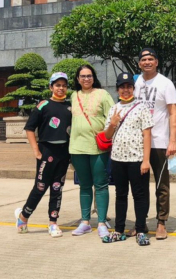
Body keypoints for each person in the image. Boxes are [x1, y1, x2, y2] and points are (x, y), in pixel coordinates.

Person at [14, 73, 72, 238]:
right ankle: (23, 217)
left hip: (64, 153)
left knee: (57, 188)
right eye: (57, 85)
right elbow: (30, 128)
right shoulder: (43, 105)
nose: (61, 88)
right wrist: (36, 150)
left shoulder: (70, 107)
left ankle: (53, 223)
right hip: (46, 152)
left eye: (64, 85)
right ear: (51, 87)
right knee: (40, 188)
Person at [102, 72, 153, 246]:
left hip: (137, 159)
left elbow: (147, 135)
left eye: (129, 86)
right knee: (120, 195)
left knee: (139, 195)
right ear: (117, 90)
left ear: (133, 88)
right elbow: (107, 136)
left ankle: (140, 230)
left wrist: (146, 160)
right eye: (122, 87)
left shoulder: (141, 107)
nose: (125, 90)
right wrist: (113, 123)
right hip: (117, 159)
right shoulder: (113, 109)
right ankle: (118, 230)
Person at [133, 47, 176, 240]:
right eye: (144, 60)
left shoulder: (165, 84)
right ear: (139, 63)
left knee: (161, 184)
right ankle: (140, 223)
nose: (147, 62)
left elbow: (173, 112)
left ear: (157, 62)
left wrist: (172, 141)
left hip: (160, 141)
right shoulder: (136, 83)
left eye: (151, 59)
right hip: (138, 142)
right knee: (139, 186)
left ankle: (161, 223)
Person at [68, 65, 115, 238]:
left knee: (101, 184)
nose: (86, 79)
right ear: (78, 79)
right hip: (77, 147)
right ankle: (85, 222)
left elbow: (113, 117)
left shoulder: (103, 95)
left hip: (98, 148)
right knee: (85, 185)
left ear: (93, 78)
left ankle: (102, 222)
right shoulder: (73, 96)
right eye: (82, 76)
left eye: (89, 76)